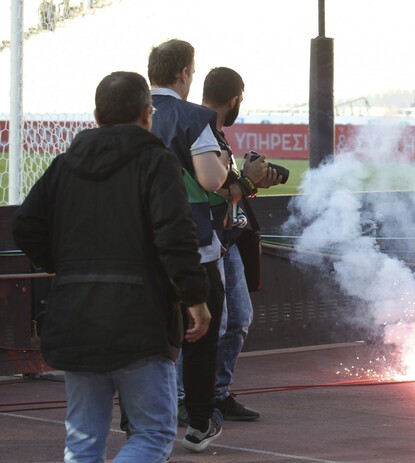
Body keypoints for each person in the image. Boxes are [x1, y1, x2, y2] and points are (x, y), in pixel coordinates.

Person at [11, 71, 212, 462]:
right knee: (152, 434)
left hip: (76, 315)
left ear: (96, 115)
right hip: (142, 319)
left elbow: (25, 226)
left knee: (83, 441)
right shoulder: (157, 163)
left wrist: (64, 265)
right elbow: (175, 235)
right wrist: (195, 298)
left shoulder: (64, 165)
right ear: (145, 114)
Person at [147, 39, 267, 453]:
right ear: (184, 74)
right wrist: (246, 180)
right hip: (194, 242)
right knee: (200, 326)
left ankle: (148, 420)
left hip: (140, 244)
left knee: (156, 335)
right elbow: (213, 184)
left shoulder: (131, 113)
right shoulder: (194, 118)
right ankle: (199, 419)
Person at [202, 67, 282, 421]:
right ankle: (189, 396)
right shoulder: (200, 133)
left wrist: (252, 180)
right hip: (210, 239)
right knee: (211, 322)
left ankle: (217, 393)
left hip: (230, 239)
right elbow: (214, 191)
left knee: (240, 318)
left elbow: (225, 187)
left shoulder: (213, 132)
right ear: (235, 99)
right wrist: (247, 183)